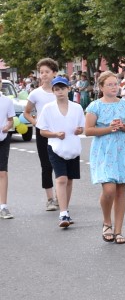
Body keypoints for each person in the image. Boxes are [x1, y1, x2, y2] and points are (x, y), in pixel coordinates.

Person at [84, 72, 125, 244]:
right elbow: (88, 130)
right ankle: (107, 221)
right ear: (101, 87)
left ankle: (118, 231)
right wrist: (109, 128)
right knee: (109, 189)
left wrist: (123, 126)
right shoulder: (95, 106)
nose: (114, 87)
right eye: (109, 84)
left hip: (122, 149)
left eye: (116, 84)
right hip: (103, 149)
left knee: (120, 191)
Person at [36, 76, 85, 228]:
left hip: (72, 147)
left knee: (69, 180)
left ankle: (66, 210)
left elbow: (82, 127)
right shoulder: (48, 108)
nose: (60, 92)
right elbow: (42, 131)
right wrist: (55, 134)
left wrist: (79, 130)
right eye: (56, 89)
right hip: (55, 147)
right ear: (53, 91)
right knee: (61, 179)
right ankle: (63, 213)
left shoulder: (77, 108)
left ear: (68, 89)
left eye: (62, 88)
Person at [23, 58, 59, 211]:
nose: (43, 75)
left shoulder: (59, 91)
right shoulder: (35, 93)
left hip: (59, 131)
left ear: (54, 73)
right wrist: (35, 122)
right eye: (41, 72)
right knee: (46, 165)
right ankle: (50, 199)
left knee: (60, 164)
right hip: (42, 132)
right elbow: (26, 112)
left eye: (47, 72)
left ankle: (60, 196)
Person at [0, 92, 15, 219]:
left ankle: (3, 207)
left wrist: (7, 126)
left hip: (3, 139)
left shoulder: (7, 101)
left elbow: (11, 121)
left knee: (2, 172)